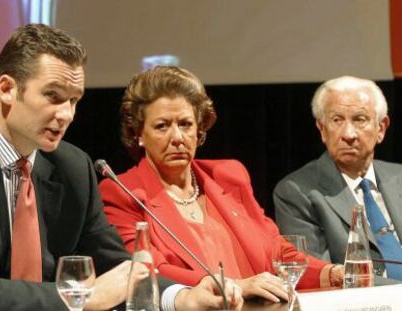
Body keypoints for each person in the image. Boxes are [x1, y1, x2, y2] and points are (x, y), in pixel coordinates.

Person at [0, 23, 242, 310]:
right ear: (7, 89)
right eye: (53, 96)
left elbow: (116, 268)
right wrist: (83, 299)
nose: (67, 114)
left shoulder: (73, 168)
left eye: (74, 100)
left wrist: (183, 297)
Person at [100, 66, 344, 304]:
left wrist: (331, 274)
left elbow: (276, 253)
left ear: (199, 129)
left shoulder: (228, 175)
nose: (177, 138)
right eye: (162, 126)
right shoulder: (122, 192)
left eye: (185, 124)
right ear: (139, 134)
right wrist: (234, 286)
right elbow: (149, 271)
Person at [274, 76, 402, 280]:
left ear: (381, 128)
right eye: (337, 120)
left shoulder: (399, 176)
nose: (348, 134)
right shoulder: (296, 192)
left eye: (360, 119)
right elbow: (318, 274)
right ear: (322, 129)